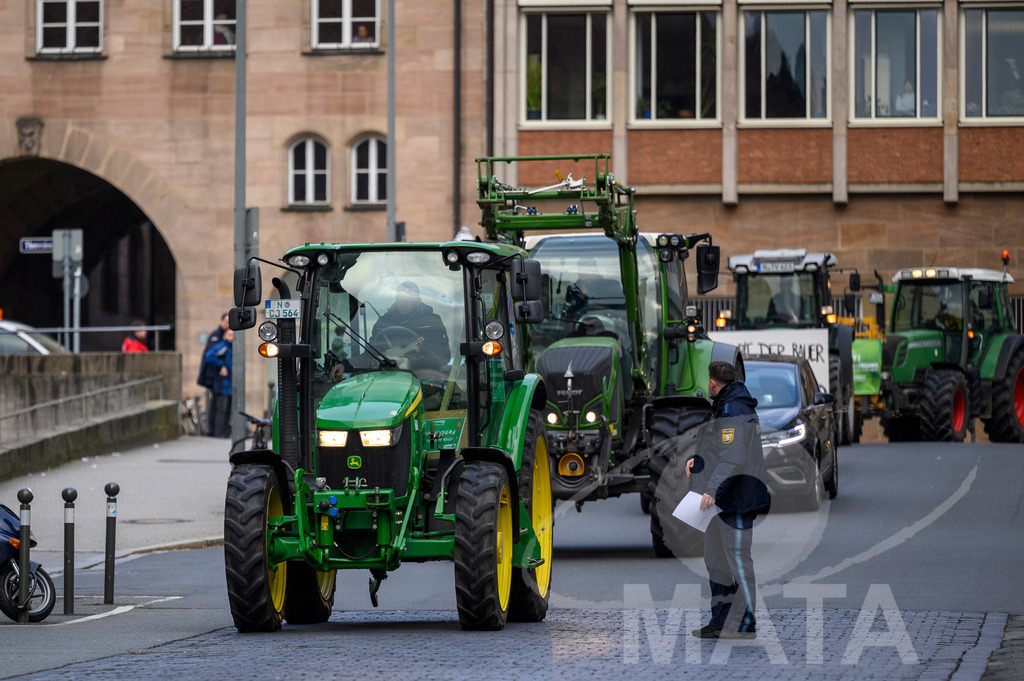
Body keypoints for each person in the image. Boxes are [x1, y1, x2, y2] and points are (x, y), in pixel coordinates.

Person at [686, 361, 770, 640]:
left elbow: (732, 458)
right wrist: (696, 463)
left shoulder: (734, 410)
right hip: (720, 501)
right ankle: (720, 621)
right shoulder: (724, 405)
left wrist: (711, 490)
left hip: (734, 501)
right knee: (716, 562)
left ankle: (745, 624)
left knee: (737, 562)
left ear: (712, 382)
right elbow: (717, 451)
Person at [370, 281, 451, 368]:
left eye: (408, 299)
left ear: (418, 300)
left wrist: (416, 358)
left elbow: (442, 356)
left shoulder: (432, 322)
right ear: (396, 299)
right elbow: (371, 351)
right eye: (400, 298)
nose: (404, 303)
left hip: (422, 375)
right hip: (386, 373)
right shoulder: (382, 323)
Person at [198, 313, 229, 434]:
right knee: (217, 406)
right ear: (221, 322)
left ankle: (219, 431)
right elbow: (211, 355)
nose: (228, 325)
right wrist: (220, 366)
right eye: (226, 322)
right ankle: (214, 431)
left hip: (221, 378)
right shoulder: (216, 336)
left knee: (220, 406)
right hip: (214, 376)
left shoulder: (224, 337)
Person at [204, 328, 233, 438]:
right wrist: (220, 366)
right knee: (221, 410)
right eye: (230, 335)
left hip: (230, 384)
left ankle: (224, 432)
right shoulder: (223, 346)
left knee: (227, 410)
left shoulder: (233, 347)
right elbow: (209, 356)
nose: (232, 337)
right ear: (225, 336)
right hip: (222, 384)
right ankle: (219, 433)